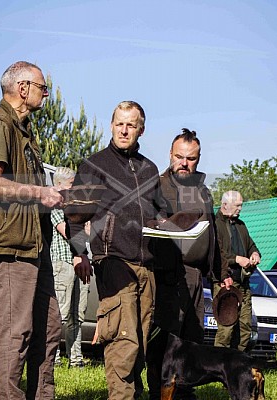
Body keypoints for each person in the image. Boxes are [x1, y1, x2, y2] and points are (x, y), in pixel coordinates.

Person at [0, 61, 64, 400]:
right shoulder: (0, 125)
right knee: (16, 333)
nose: (46, 93)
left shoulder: (24, 130)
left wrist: (54, 195)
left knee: (49, 328)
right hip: (11, 249)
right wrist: (40, 192)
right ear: (22, 89)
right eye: (42, 86)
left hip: (34, 248)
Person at [67, 100, 167, 400]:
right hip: (113, 263)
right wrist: (80, 252)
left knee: (141, 344)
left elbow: (159, 214)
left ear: (141, 130)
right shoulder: (94, 165)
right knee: (124, 342)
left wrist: (168, 225)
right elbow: (73, 216)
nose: (124, 130)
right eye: (119, 124)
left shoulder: (150, 169)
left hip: (147, 267)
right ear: (111, 125)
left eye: (131, 125)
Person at [146, 128, 227, 400]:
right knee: (165, 342)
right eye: (179, 156)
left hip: (196, 276)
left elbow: (213, 236)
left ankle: (185, 393)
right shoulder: (158, 186)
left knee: (193, 339)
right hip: (167, 273)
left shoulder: (203, 191)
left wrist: (220, 274)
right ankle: (159, 392)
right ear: (170, 155)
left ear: (198, 159)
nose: (184, 163)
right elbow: (149, 223)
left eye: (190, 158)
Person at [50, 166, 90, 368]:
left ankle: (76, 359)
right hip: (62, 263)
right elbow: (68, 231)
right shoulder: (55, 207)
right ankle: (53, 358)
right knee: (62, 314)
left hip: (81, 262)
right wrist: (84, 227)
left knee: (78, 314)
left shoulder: (76, 207)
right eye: (72, 185)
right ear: (59, 185)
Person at [214, 190, 261, 352]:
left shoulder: (241, 225)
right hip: (225, 281)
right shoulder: (214, 225)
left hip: (243, 283)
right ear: (225, 205)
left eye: (241, 205)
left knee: (245, 327)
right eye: (237, 205)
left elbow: (251, 246)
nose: (240, 209)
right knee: (226, 328)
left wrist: (255, 254)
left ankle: (238, 364)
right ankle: (219, 364)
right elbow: (215, 253)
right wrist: (237, 259)